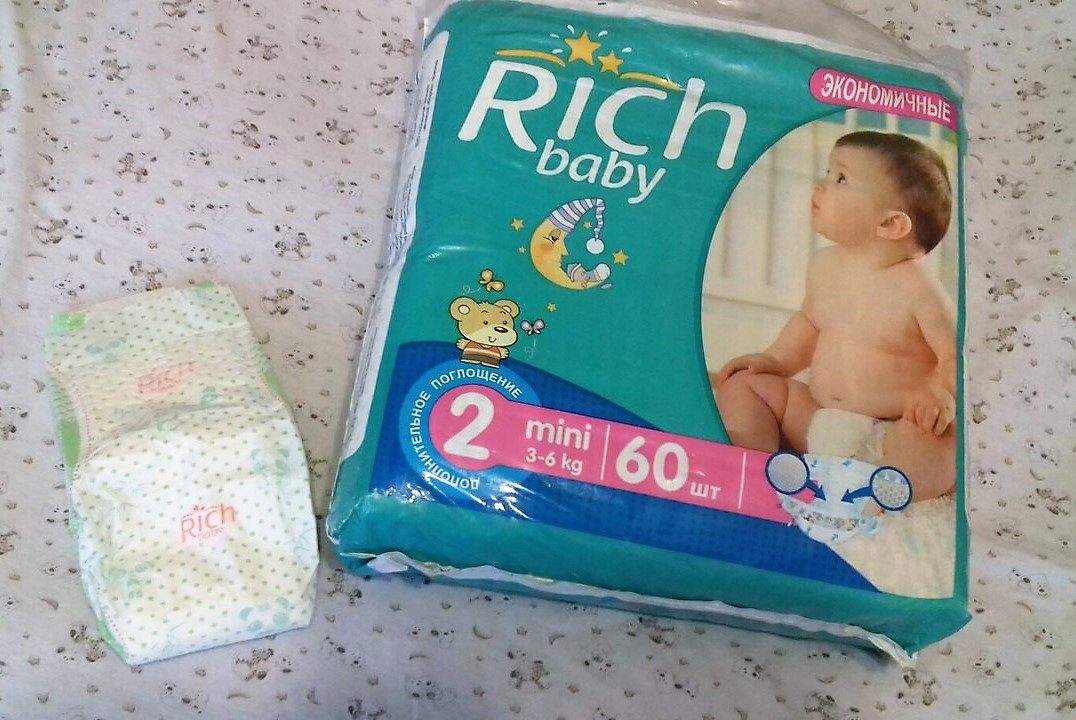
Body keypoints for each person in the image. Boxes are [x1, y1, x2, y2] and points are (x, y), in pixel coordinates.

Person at [713, 131, 957, 503]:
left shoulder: (920, 290)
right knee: (744, 386)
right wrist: (775, 360)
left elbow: (956, 355)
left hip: (892, 430)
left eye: (840, 178)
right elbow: (810, 323)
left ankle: (882, 495)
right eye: (828, 172)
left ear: (890, 224)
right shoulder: (824, 266)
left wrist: (939, 395)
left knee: (938, 442)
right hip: (818, 418)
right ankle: (753, 463)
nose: (820, 184)